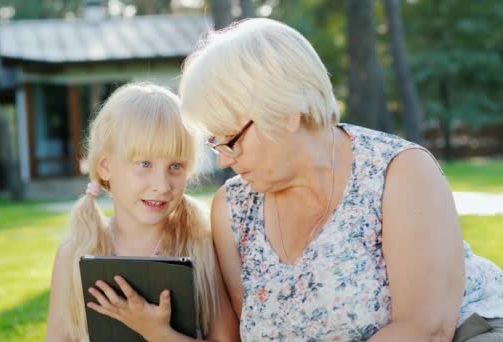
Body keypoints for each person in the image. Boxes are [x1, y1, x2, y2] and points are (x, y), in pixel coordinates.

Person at [178, 18, 503, 341]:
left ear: (285, 111)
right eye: (215, 141)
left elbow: (426, 330)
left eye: (230, 138)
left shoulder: (399, 171)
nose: (223, 158)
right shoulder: (233, 208)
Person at [45, 83, 239, 342]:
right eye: (144, 164)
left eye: (175, 166)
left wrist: (159, 334)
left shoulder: (202, 244)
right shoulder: (75, 251)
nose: (161, 185)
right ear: (105, 167)